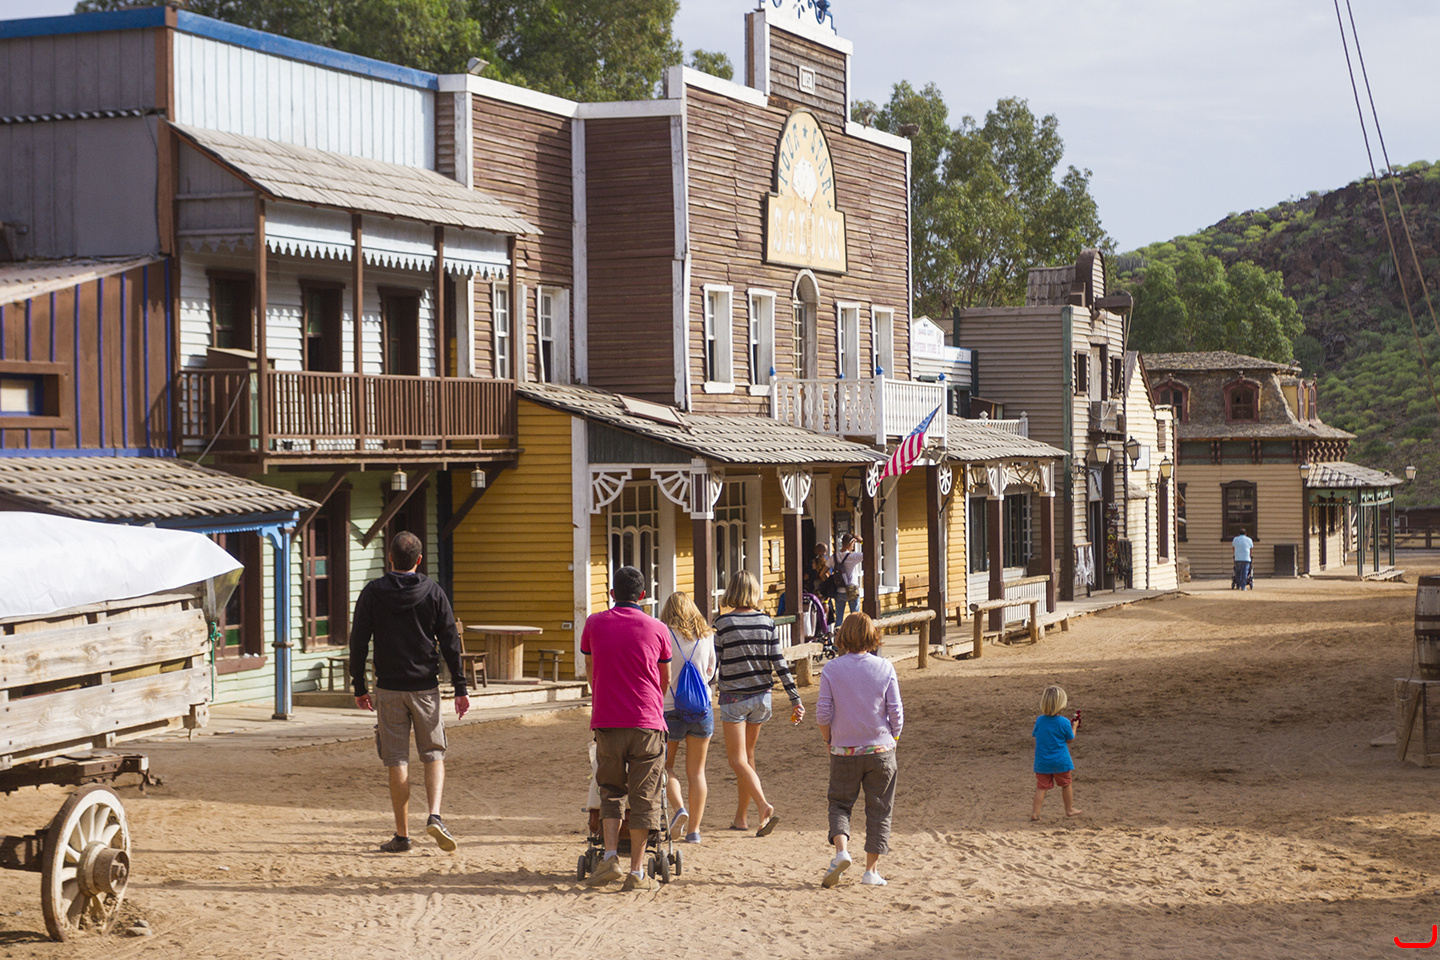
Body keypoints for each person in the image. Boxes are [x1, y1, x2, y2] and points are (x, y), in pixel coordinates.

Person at [351, 530, 469, 854]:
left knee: (396, 760)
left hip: (389, 687)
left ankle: (402, 836)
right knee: (433, 753)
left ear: (390, 558)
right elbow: (450, 642)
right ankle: (435, 815)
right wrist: (460, 687)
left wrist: (359, 686)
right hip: (425, 687)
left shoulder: (372, 592)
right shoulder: (433, 592)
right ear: (419, 559)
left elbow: (358, 641)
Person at [580, 565, 672, 891]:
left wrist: (602, 693)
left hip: (607, 719)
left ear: (611, 594)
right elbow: (664, 678)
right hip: (647, 720)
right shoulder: (658, 628)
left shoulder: (594, 623)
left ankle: (609, 856)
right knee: (645, 797)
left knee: (610, 790)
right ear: (643, 595)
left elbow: (589, 667)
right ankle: (637, 871)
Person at [713, 570, 803, 836]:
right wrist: (794, 698)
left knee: (736, 760)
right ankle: (741, 818)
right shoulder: (767, 622)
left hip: (734, 697)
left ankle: (763, 805)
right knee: (748, 757)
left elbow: (713, 665)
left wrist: (705, 691)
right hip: (762, 697)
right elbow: (779, 663)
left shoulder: (723, 623)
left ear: (732, 591)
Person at [817, 612, 903, 888]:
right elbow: (896, 712)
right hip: (881, 748)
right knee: (879, 809)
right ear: (872, 636)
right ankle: (871, 871)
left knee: (839, 803)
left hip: (844, 750)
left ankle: (841, 851)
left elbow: (823, 713)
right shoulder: (885, 667)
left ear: (843, 636)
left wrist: (829, 739)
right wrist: (894, 738)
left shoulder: (831, 669)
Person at [658, 592, 716, 844]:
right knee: (697, 771)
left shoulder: (663, 634)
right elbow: (711, 671)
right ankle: (694, 831)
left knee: (665, 766)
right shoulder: (707, 635)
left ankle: (679, 808)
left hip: (669, 708)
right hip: (701, 709)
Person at [1031, 684, 1081, 820]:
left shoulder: (1040, 720)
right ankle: (1069, 809)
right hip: (1061, 761)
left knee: (1041, 787)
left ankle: (1035, 813)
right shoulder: (1064, 722)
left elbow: (1036, 734)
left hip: (1042, 761)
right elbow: (1070, 739)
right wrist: (1074, 726)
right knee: (1066, 784)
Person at [835, 535, 864, 615]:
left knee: (839, 617)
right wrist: (862, 542)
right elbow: (870, 553)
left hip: (839, 589)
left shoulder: (834, 557)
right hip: (852, 589)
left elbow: (823, 572)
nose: (853, 546)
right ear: (850, 543)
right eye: (853, 544)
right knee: (855, 615)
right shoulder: (853, 556)